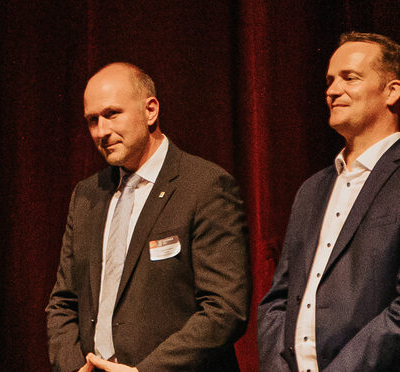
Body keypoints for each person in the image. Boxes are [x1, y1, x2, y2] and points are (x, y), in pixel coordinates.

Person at [255, 32, 400, 372]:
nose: (332, 90)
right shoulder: (312, 189)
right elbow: (278, 299)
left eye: (349, 78)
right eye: (330, 80)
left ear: (392, 91)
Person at [45, 63, 250, 372]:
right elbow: (62, 303)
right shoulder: (87, 195)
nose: (101, 131)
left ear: (150, 110)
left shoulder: (204, 186)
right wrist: (74, 367)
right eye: (92, 120)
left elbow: (224, 309)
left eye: (112, 114)